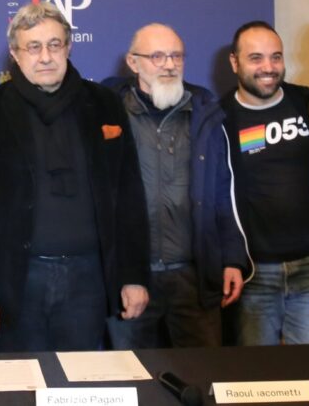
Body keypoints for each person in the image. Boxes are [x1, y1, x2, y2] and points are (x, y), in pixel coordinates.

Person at [0, 2, 150, 352]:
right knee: (15, 381)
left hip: (89, 281)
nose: (45, 57)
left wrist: (133, 276)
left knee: (78, 380)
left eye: (54, 45)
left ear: (68, 47)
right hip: (15, 283)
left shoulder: (105, 104)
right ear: (15, 54)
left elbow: (129, 196)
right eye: (33, 47)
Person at [104, 23, 250, 349]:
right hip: (130, 278)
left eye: (176, 56)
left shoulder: (207, 115)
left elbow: (224, 193)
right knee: (132, 373)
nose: (169, 65)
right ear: (133, 62)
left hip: (193, 276)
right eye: (157, 56)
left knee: (203, 371)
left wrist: (232, 259)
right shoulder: (108, 114)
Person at [221, 21, 309, 345]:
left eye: (276, 57)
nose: (268, 68)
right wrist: (232, 260)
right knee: (258, 373)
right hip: (254, 275)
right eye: (256, 58)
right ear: (235, 62)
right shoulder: (219, 119)